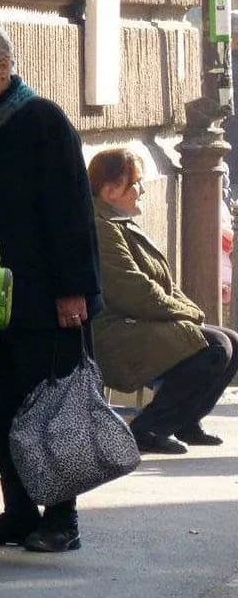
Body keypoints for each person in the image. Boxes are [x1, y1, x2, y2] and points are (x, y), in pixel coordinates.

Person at [0, 21, 103, 553]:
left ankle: (62, 519)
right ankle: (16, 512)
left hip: (42, 295)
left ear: (4, 68)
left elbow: (71, 210)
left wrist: (73, 289)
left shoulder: (42, 121)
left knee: (50, 410)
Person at [88, 148, 237, 454]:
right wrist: (186, 314)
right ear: (110, 190)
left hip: (141, 320)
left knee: (232, 341)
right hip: (116, 330)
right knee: (213, 348)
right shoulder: (102, 227)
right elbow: (132, 290)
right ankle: (148, 427)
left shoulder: (119, 220)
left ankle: (186, 420)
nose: (141, 190)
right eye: (136, 184)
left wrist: (189, 311)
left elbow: (162, 283)